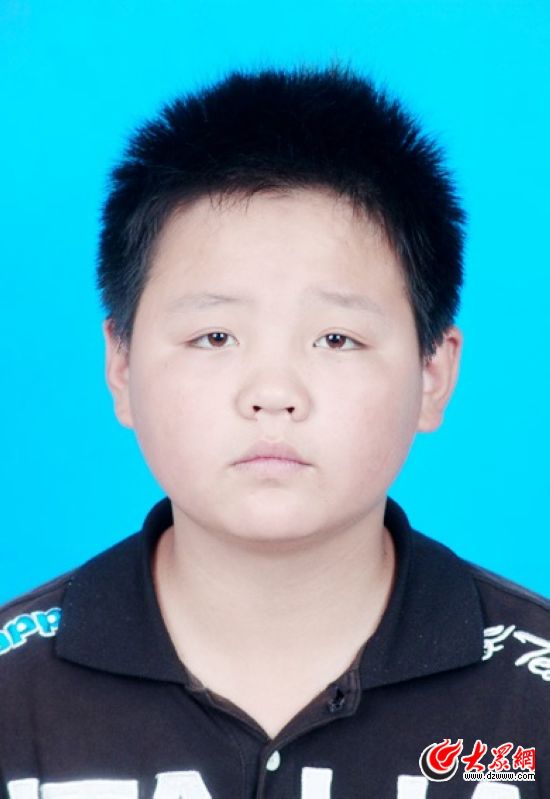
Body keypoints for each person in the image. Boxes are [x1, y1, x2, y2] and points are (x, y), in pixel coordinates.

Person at [0, 65, 547, 799]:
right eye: (216, 336)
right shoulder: (15, 694)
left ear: (433, 374)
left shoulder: (532, 697)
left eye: (336, 338)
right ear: (121, 366)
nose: (273, 394)